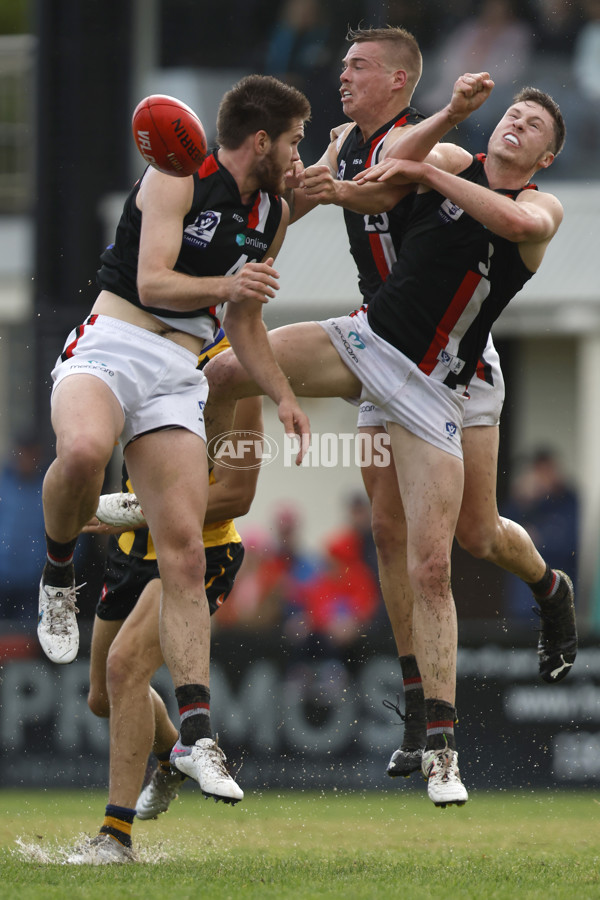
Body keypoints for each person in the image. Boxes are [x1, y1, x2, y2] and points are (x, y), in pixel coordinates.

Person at [204, 72, 574, 807]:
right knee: (223, 378)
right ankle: (205, 502)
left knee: (461, 545)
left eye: (533, 125)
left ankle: (537, 604)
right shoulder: (447, 159)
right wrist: (341, 180)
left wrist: (413, 168)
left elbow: (519, 227)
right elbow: (381, 181)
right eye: (514, 114)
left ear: (547, 158)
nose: (515, 124)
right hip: (367, 340)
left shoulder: (539, 205)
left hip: (447, 381)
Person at [37, 74, 311, 823]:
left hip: (177, 373)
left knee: (185, 546)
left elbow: (244, 321)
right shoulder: (175, 174)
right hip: (115, 341)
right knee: (87, 451)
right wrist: (228, 281)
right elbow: (156, 278)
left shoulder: (273, 210)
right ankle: (58, 572)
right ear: (261, 139)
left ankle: (194, 734)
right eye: (293, 142)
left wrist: (282, 393)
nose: (297, 156)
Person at [68, 339, 264, 865]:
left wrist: (132, 510)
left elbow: (239, 493)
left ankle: (115, 837)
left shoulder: (232, 370)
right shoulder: (129, 348)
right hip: (132, 553)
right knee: (102, 697)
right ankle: (172, 754)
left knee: (125, 667)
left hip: (200, 551)